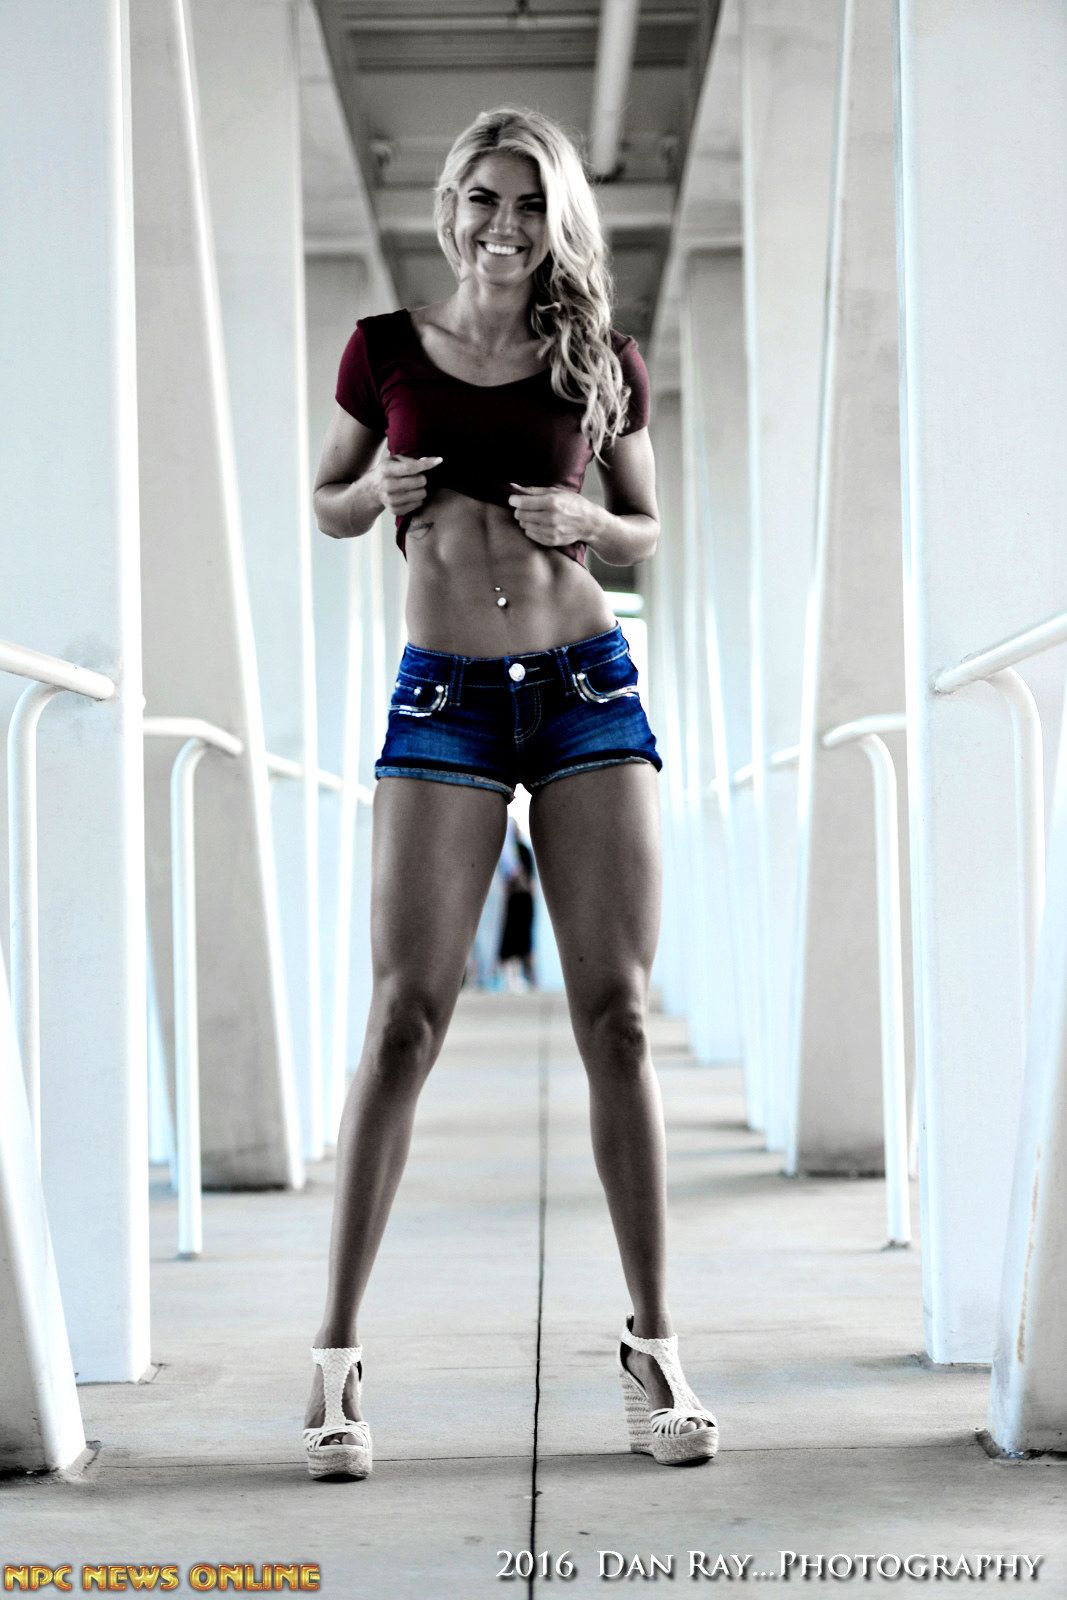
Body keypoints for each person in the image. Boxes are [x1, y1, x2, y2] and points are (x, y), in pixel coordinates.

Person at [302, 106, 718, 1479]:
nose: (506, 225)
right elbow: (326, 498)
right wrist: (378, 492)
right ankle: (335, 1361)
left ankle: (655, 1349)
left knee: (618, 1019)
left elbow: (644, 526)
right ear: (450, 204)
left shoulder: (599, 356)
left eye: (531, 203)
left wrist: (590, 522)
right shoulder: (382, 349)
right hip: (446, 702)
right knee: (402, 1020)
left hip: (586, 686)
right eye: (485, 197)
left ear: (558, 221)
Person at [498, 830, 537, 990]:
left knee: (519, 940)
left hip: (519, 900)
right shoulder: (520, 850)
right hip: (518, 900)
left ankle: (523, 977)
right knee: (517, 940)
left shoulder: (521, 850)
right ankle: (518, 977)